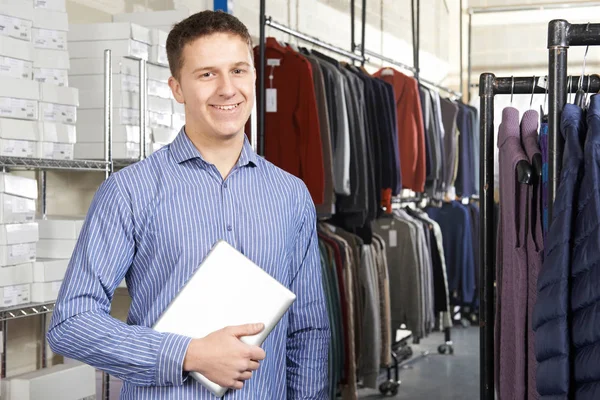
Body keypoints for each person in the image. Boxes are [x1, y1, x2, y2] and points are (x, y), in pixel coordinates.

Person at [47, 10, 330, 399]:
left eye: (238, 70)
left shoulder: (291, 195)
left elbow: (308, 329)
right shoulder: (130, 191)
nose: (227, 89)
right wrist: (188, 354)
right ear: (177, 88)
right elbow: (70, 323)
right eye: (207, 74)